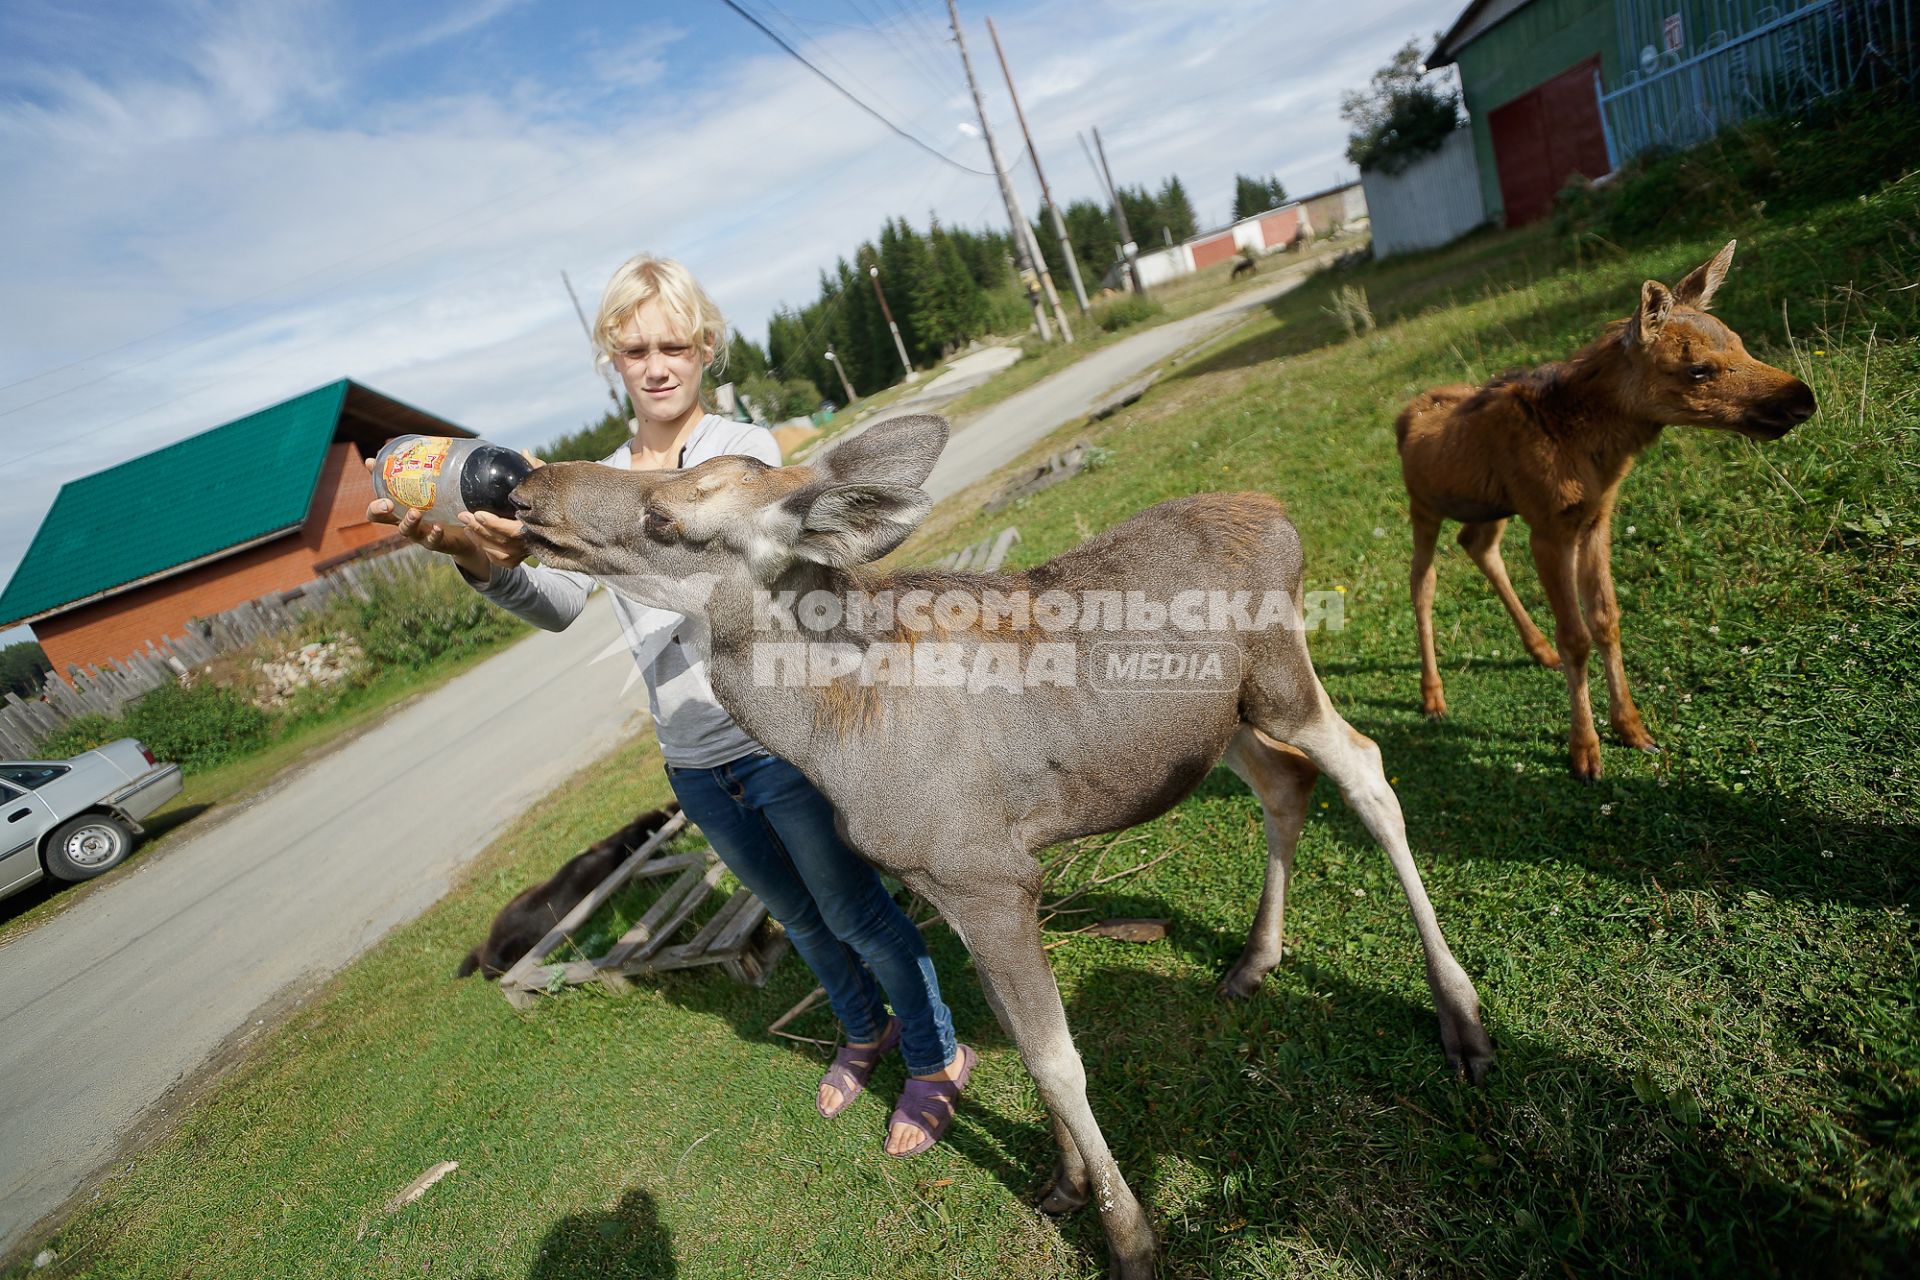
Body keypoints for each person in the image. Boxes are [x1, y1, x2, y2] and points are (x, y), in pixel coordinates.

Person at [368, 254, 973, 1156]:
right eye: (635, 348)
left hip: (777, 739)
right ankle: (862, 1029)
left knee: (853, 910)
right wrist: (481, 560)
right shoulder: (603, 480)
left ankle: (934, 1055)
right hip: (693, 758)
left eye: (674, 346)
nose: (656, 365)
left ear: (705, 349)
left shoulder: (746, 458)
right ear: (612, 357)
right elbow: (562, 608)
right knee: (800, 918)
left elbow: (760, 588)